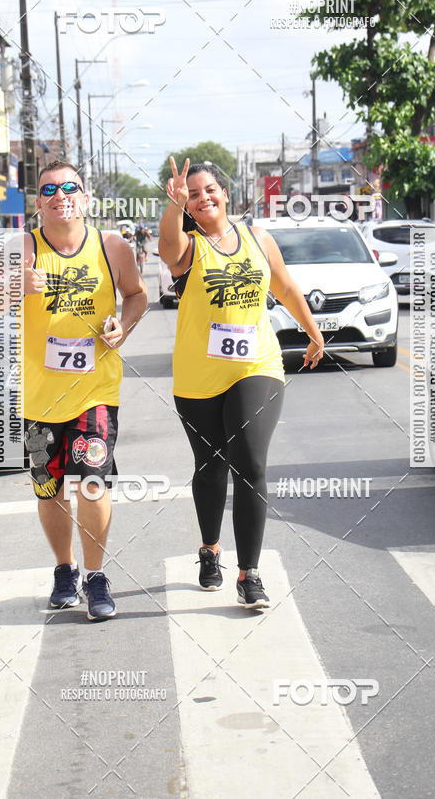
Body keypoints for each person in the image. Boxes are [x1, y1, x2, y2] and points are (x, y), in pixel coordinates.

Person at [0, 160, 147, 620]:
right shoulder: (23, 247)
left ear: (85, 198)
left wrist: (123, 327)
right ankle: (64, 569)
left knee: (90, 479)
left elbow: (137, 295)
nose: (60, 194)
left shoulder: (112, 247)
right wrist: (16, 284)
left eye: (70, 186)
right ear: (39, 202)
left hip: (95, 390)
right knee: (49, 487)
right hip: (37, 395)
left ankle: (96, 577)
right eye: (49, 188)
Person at [159, 158, 325, 610]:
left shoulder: (258, 237)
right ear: (186, 204)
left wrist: (312, 331)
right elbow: (167, 248)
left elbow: (286, 287)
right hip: (199, 377)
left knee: (249, 463)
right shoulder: (190, 248)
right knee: (210, 467)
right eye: (193, 194)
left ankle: (249, 574)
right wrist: (172, 207)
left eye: (209, 189)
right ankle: (210, 549)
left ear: (225, 192)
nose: (203, 198)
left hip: (258, 365)